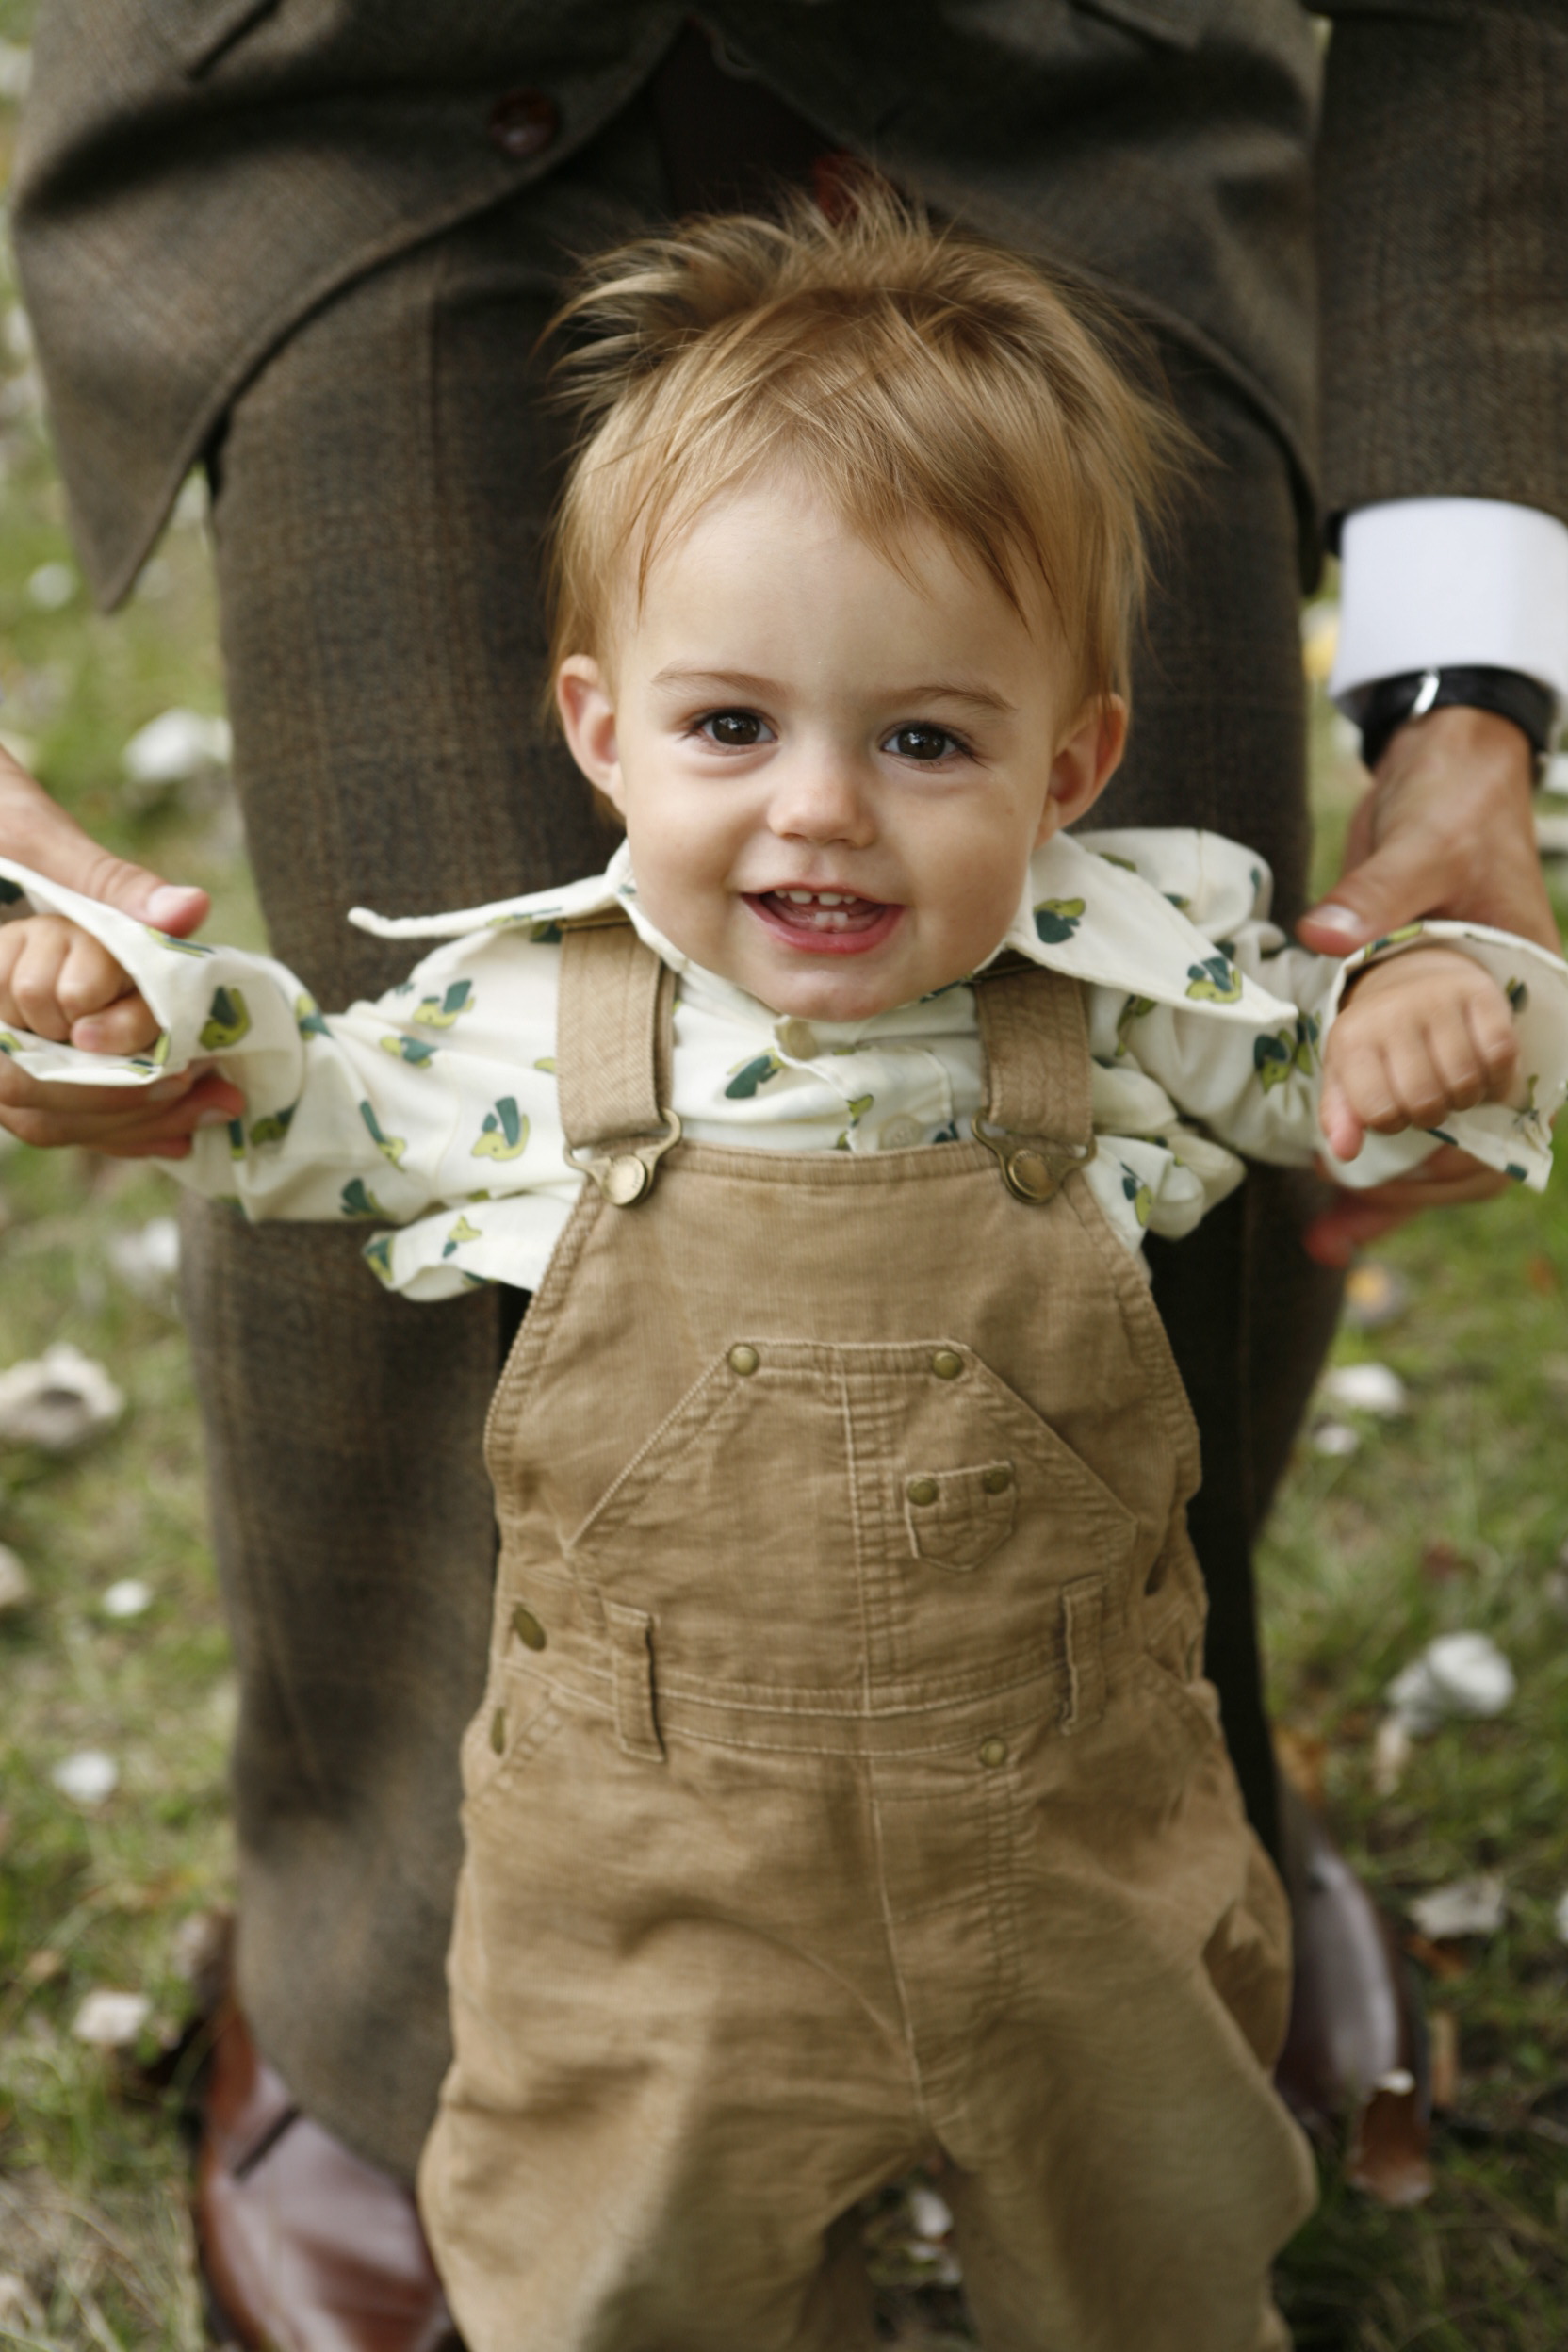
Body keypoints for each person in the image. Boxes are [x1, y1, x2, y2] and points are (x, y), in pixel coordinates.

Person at [5, 9, 1565, 2342]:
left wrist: (1426, 978)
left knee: (1195, 1284)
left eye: (927, 743)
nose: (821, 810)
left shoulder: (1129, 977)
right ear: (600, 731)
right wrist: (172, 1024)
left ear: (1071, 770)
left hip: (1073, 68)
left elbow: (1310, 1061)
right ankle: (395, 1999)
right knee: (410, 1283)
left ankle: (1178, 1843)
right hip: (379, 80)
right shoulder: (527, 1020)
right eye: (729, 732)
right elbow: (330, 1096)